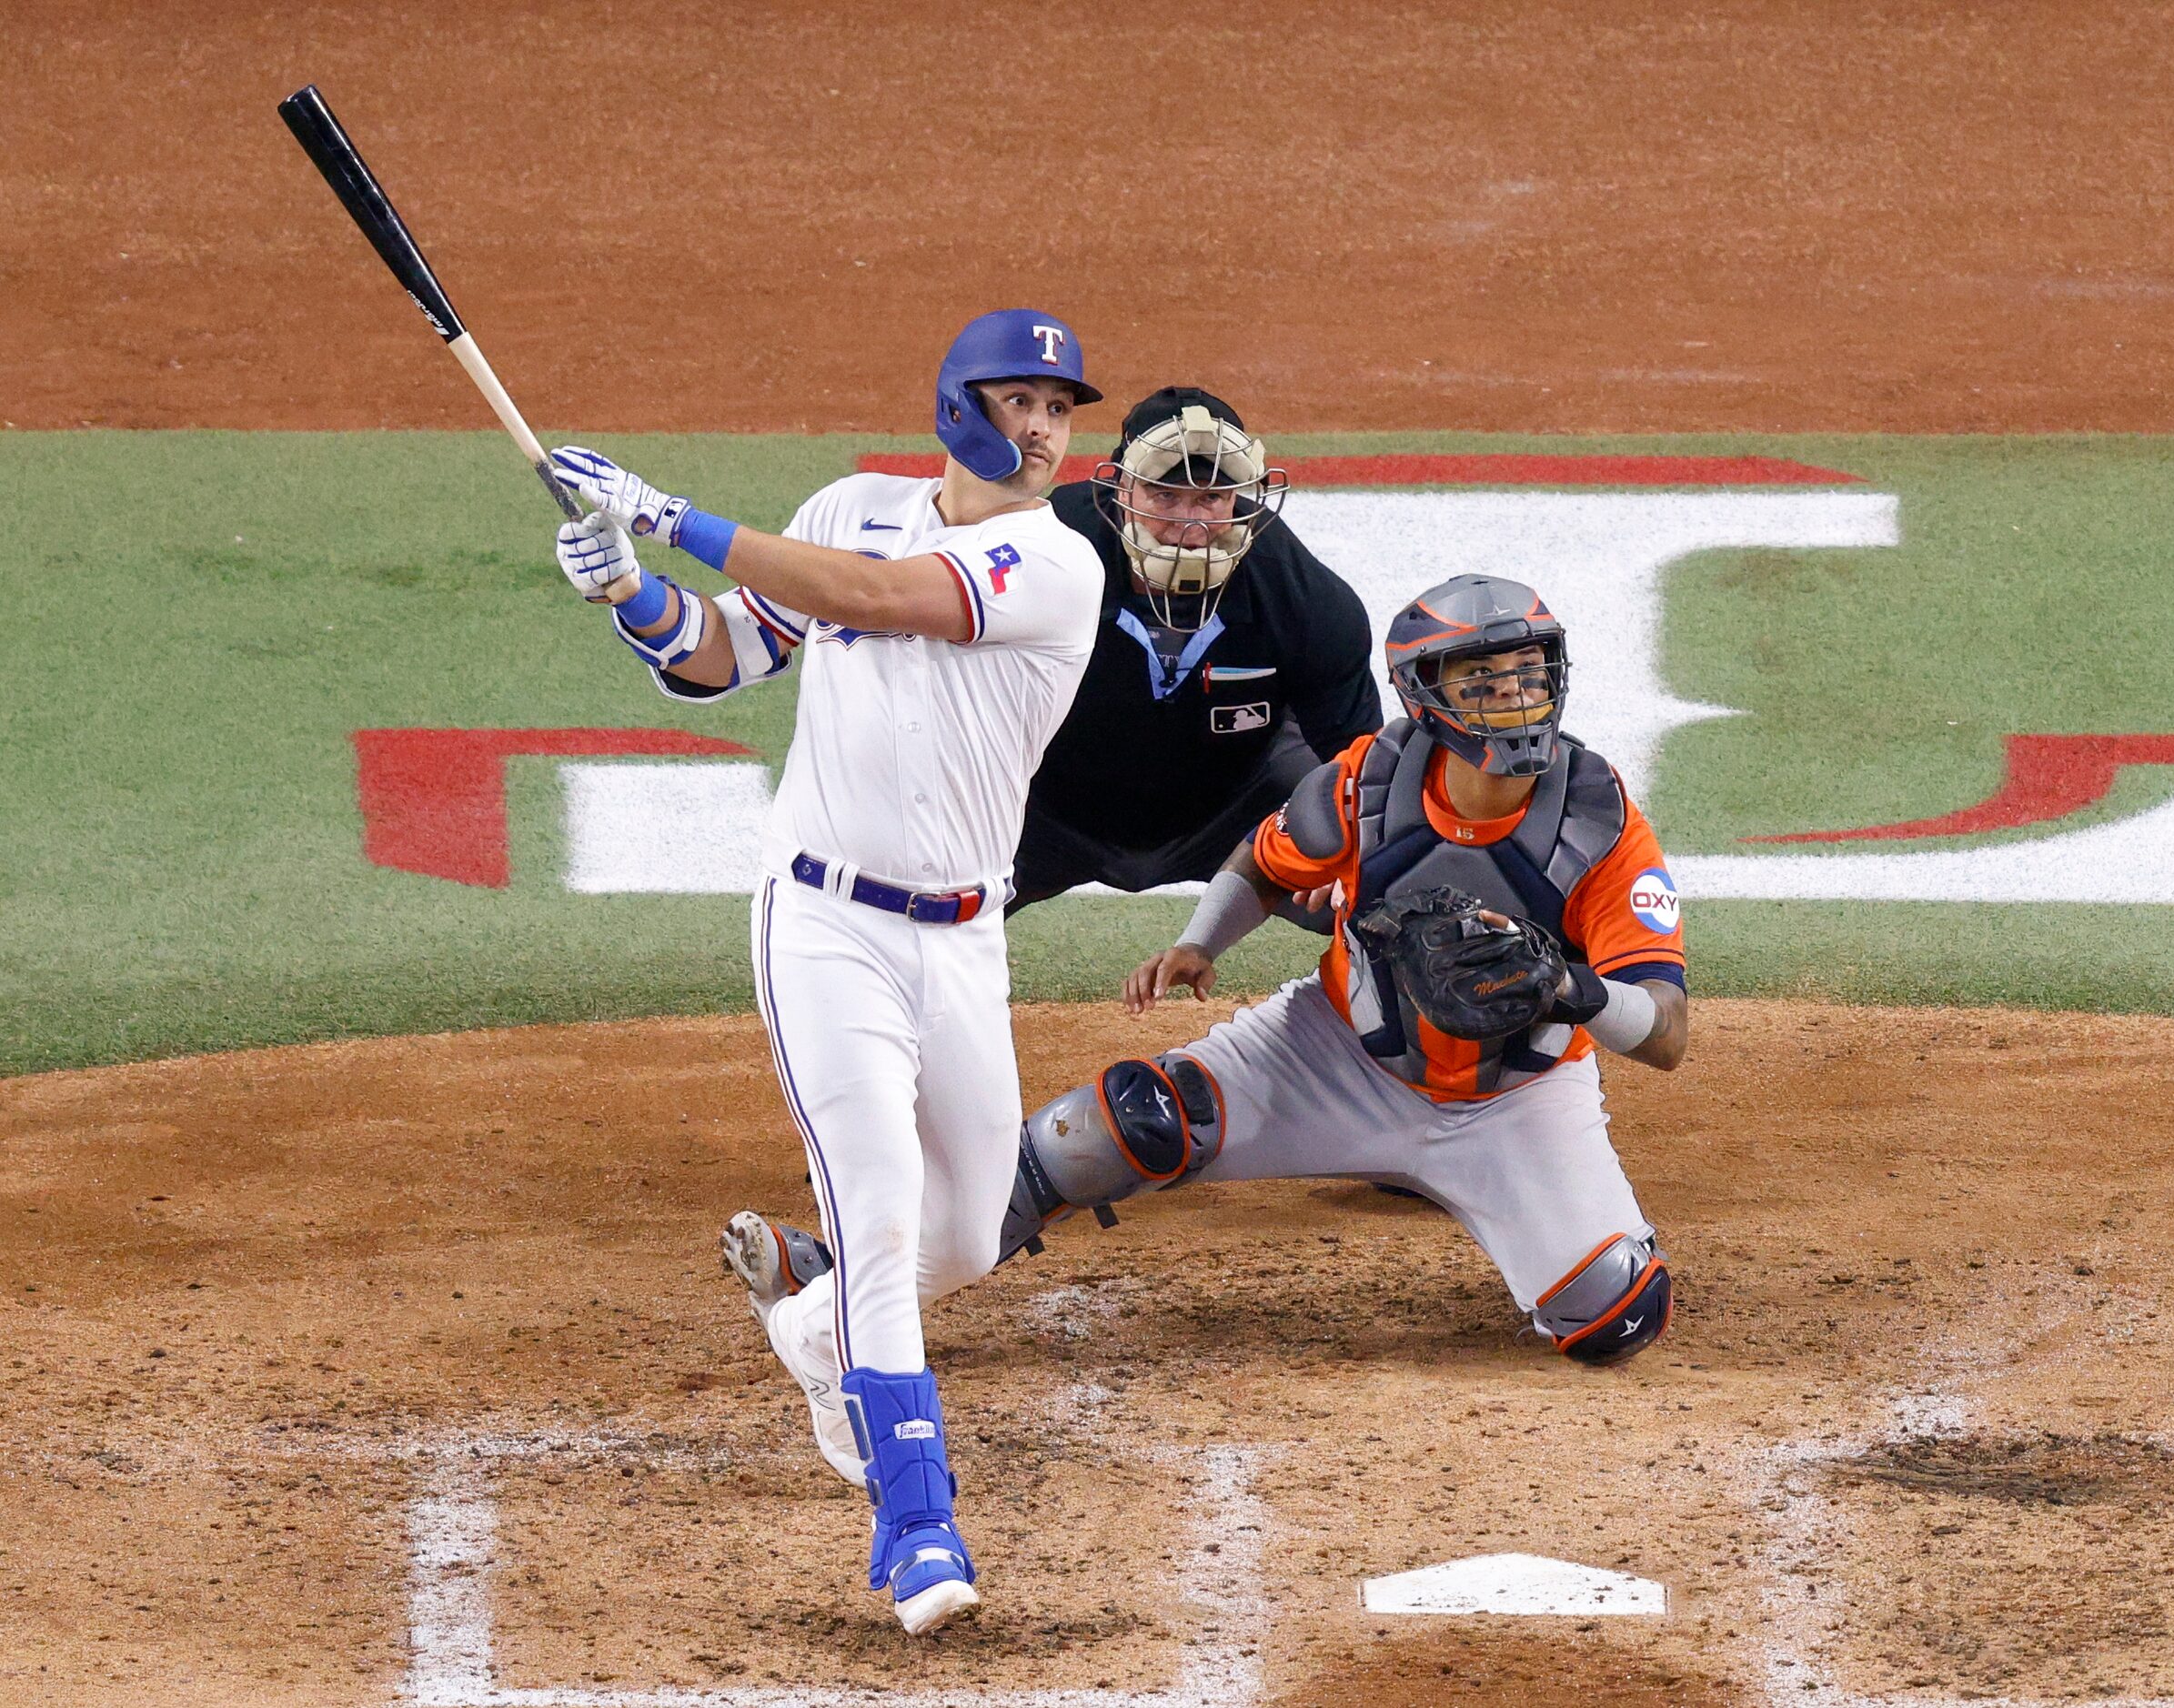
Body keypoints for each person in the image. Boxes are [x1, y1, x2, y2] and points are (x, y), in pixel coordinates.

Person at [542, 308, 1107, 1633]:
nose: (1041, 429)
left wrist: (667, 510)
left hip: (963, 937)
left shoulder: (1056, 560)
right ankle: (917, 1524)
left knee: (972, 1230)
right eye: (1019, 399)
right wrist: (626, 587)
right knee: (878, 1212)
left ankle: (814, 1336)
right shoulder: (844, 508)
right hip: (821, 925)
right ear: (956, 403)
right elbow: (724, 653)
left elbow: (876, 602)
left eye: (1059, 408)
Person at [998, 573, 1689, 1363]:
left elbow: (1666, 1034)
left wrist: (1571, 989)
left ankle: (1559, 1212)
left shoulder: (1601, 827)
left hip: (1516, 1099)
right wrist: (1199, 944)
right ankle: (877, 1266)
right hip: (1331, 1057)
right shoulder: (1368, 785)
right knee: (1112, 1128)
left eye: (1529, 673)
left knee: (1612, 1315)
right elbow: (1263, 864)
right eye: (1483, 679)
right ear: (1423, 693)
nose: (1512, 696)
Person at [1009, 387, 1382, 913]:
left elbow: (1360, 761)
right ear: (1121, 491)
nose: (1192, 527)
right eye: (1165, 496)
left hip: (1238, 812)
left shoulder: (1304, 597)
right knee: (921, 885)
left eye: (1212, 498)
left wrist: (1357, 855)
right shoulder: (1041, 552)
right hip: (1045, 810)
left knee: (1386, 884)